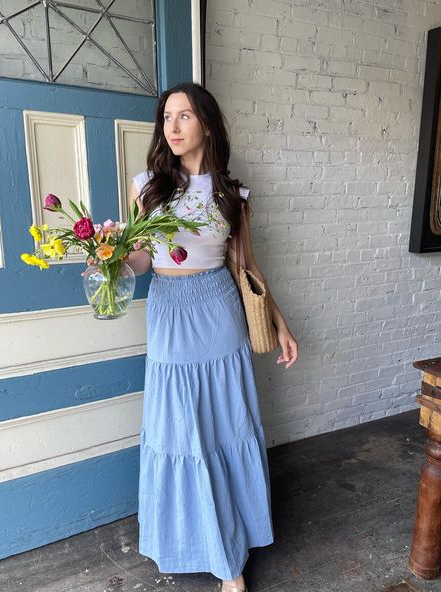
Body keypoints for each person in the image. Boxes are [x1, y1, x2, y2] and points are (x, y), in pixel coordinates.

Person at [124, 81, 298, 592]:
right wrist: (111, 260)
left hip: (219, 312)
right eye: (166, 118)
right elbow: (140, 256)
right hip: (169, 313)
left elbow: (246, 266)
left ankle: (231, 563)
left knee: (224, 429)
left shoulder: (231, 195)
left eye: (183, 117)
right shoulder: (147, 186)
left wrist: (279, 325)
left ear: (206, 124)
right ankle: (195, 541)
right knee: (181, 433)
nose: (172, 127)